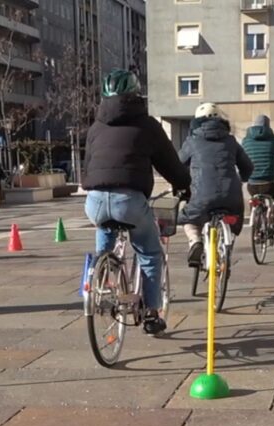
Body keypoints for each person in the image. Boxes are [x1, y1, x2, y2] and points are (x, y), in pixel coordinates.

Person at [82, 68, 192, 336]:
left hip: (94, 201)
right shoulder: (147, 125)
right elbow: (170, 164)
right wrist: (183, 186)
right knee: (150, 253)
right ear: (135, 94)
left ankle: (102, 275)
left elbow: (86, 168)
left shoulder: (95, 126)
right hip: (129, 200)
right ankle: (153, 313)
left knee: (105, 228)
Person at [179, 102, 254, 268]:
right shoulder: (231, 141)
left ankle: (195, 241)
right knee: (232, 222)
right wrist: (241, 179)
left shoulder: (192, 141)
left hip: (201, 196)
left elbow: (177, 165)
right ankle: (225, 250)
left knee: (189, 218)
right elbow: (248, 167)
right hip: (231, 196)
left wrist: (181, 184)